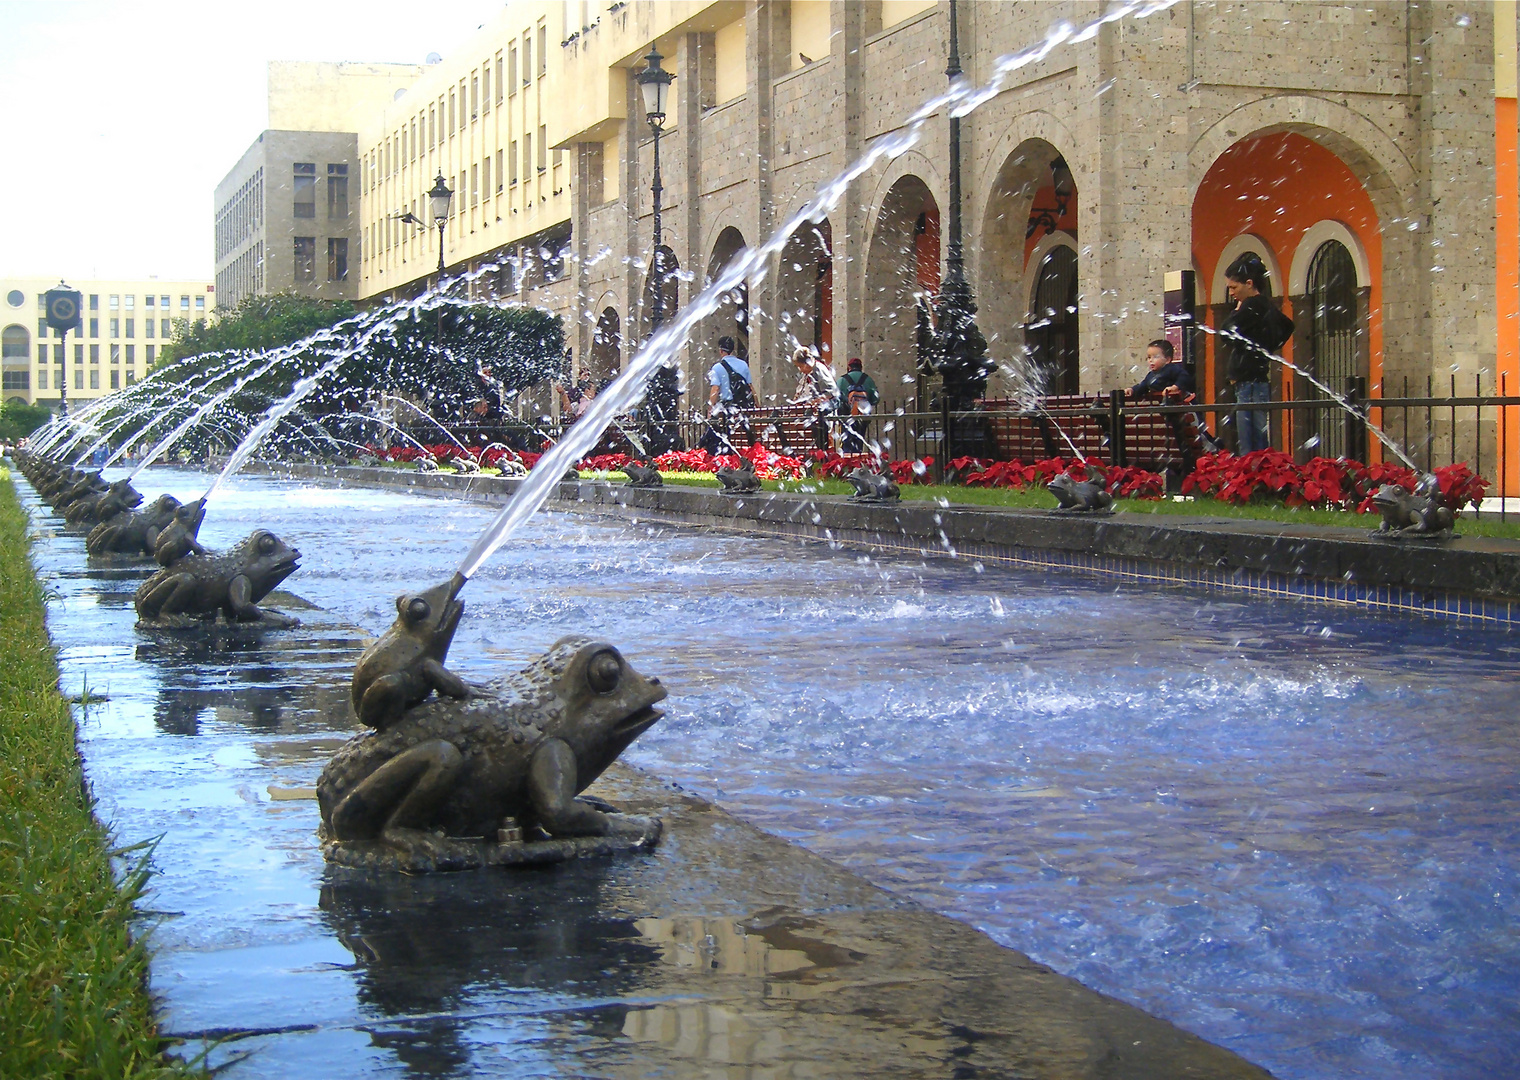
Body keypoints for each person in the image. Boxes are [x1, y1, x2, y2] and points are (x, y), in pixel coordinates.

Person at [1221, 253, 1293, 455]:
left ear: (1249, 283)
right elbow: (1287, 325)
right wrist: (1263, 346)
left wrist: (1237, 313)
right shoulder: (1262, 305)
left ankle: (1255, 479)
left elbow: (1225, 331)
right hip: (1251, 381)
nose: (1232, 292)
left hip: (1250, 383)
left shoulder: (1253, 305)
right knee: (1253, 436)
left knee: (1251, 440)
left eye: (1234, 287)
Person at [1127, 338, 1220, 458]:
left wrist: (1175, 387)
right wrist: (1133, 390)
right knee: (1185, 434)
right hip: (1173, 413)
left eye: (1155, 356)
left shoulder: (1171, 369)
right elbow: (1143, 386)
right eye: (1149, 357)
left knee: (1198, 430)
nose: (1151, 360)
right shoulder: (1151, 376)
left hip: (1186, 407)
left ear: (1168, 359)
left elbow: (1185, 377)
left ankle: (1212, 450)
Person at [704, 336, 753, 451]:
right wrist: (757, 406)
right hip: (742, 407)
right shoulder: (743, 365)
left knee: (726, 436)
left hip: (728, 408)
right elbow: (750, 387)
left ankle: (728, 456)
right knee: (746, 435)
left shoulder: (717, 367)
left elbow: (715, 389)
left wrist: (710, 408)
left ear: (721, 350)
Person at [788, 346, 838, 449]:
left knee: (820, 430)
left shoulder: (819, 369)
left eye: (800, 366)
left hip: (827, 407)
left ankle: (822, 449)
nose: (800, 370)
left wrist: (816, 401)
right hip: (819, 408)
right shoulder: (810, 372)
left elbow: (832, 391)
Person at [835, 357, 880, 453]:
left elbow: (836, 398)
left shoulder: (842, 380)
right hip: (862, 416)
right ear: (861, 367)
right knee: (859, 440)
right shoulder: (869, 380)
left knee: (846, 441)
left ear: (849, 367)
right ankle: (858, 462)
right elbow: (876, 399)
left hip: (847, 416)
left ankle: (848, 463)